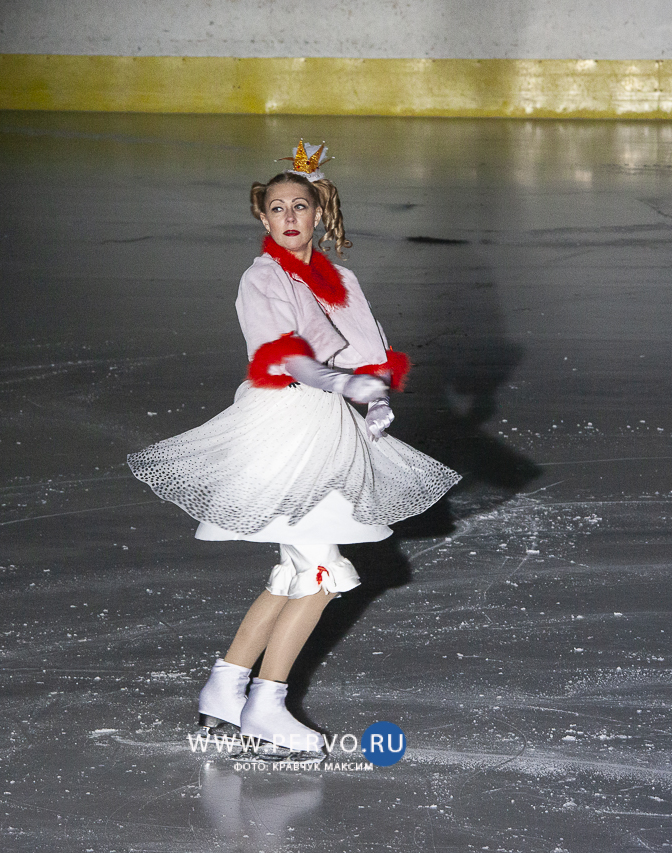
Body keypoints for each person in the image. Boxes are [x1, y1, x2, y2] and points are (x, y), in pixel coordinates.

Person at [127, 140, 459, 759]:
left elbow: (367, 347)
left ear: (318, 212)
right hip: (284, 427)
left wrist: (374, 394)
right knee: (322, 573)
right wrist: (347, 385)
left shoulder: (338, 279)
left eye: (299, 206)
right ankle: (266, 708)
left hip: (326, 428)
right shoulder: (262, 278)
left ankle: (225, 690)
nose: (288, 216)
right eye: (276, 207)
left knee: (295, 569)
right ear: (263, 216)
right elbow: (282, 356)